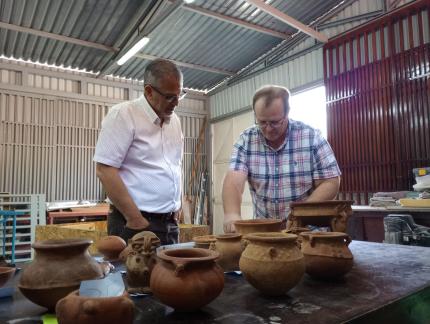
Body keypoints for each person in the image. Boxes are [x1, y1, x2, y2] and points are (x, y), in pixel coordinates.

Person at [222, 85, 341, 233]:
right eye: (262, 122)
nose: (268, 128)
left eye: (274, 122)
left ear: (287, 113)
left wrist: (301, 215)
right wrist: (231, 214)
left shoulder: (311, 137)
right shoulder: (246, 140)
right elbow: (233, 181)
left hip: (308, 233)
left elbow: (330, 182)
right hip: (265, 235)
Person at [94, 59, 185, 245]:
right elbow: (105, 170)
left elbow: (175, 165)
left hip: (169, 223)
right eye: (169, 97)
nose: (176, 103)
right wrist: (135, 219)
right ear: (149, 91)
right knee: (135, 273)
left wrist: (177, 204)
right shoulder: (123, 115)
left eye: (179, 95)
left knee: (170, 273)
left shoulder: (174, 121)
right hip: (135, 223)